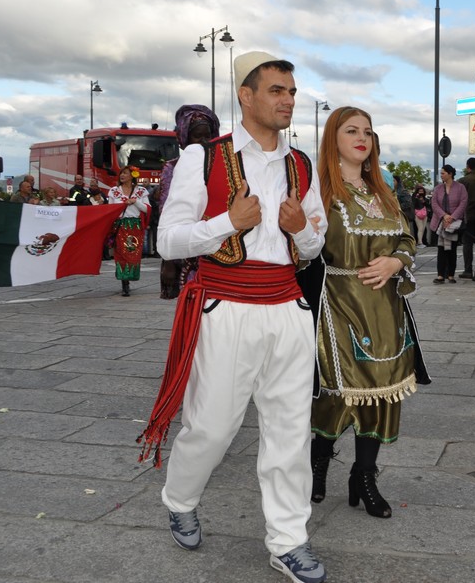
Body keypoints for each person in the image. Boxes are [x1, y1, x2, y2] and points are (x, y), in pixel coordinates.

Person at [138, 52, 328, 582]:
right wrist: (228, 221)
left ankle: (289, 541)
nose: (288, 100)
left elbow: (314, 247)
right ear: (246, 96)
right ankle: (179, 498)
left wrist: (300, 231)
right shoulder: (203, 159)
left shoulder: (302, 166)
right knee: (212, 430)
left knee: (291, 434)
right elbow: (168, 239)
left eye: (291, 91)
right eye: (276, 91)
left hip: (289, 309)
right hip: (225, 307)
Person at [308, 106, 429, 520]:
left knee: (383, 393)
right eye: (352, 131)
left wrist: (397, 262)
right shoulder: (321, 192)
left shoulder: (384, 192)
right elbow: (305, 249)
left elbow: (408, 239)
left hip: (386, 310)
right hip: (339, 301)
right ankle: (318, 462)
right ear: (333, 139)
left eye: (369, 132)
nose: (363, 138)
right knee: (336, 395)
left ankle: (364, 476)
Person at [158, 105, 220, 300]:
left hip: (218, 250)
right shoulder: (172, 167)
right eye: (197, 136)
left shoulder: (223, 164)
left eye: (208, 135)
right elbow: (166, 215)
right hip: (189, 253)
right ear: (184, 139)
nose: (203, 141)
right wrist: (168, 262)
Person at [107, 166, 150, 297]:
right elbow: (110, 210)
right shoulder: (114, 191)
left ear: (132, 176)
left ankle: (130, 277)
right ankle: (124, 284)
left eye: (125, 173)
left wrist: (135, 202)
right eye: (121, 173)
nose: (122, 175)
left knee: (133, 254)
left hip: (135, 226)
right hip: (121, 225)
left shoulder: (141, 191)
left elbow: (147, 209)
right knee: (121, 254)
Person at [430, 164, 467, 284]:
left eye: (443, 173)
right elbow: (434, 203)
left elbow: (463, 202)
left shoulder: (460, 187)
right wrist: (444, 215)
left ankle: (451, 274)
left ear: (450, 174)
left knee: (452, 249)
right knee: (441, 249)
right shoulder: (438, 188)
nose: (441, 175)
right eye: (441, 173)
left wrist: (452, 217)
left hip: (454, 222)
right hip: (441, 221)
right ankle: (440, 275)